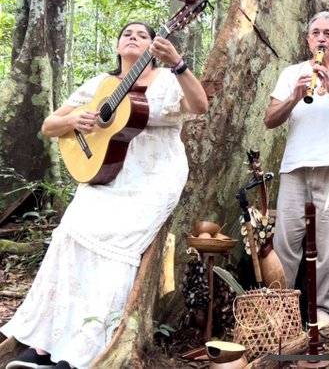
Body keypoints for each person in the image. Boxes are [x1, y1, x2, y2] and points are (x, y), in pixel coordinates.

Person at [2, 22, 209, 368]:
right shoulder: (101, 85)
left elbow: (200, 106)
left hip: (154, 178)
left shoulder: (169, 81)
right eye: (126, 33)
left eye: (143, 35)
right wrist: (75, 121)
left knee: (114, 252)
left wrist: (179, 63)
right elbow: (50, 125)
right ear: (117, 46)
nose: (133, 37)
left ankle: (84, 351)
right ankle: (42, 345)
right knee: (69, 236)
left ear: (154, 48)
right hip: (105, 175)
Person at [264, 11, 329, 328]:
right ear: (308, 40)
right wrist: (296, 95)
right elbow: (270, 120)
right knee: (286, 242)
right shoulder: (291, 74)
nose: (321, 38)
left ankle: (321, 309)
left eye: (328, 33)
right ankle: (281, 309)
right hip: (295, 167)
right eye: (315, 33)